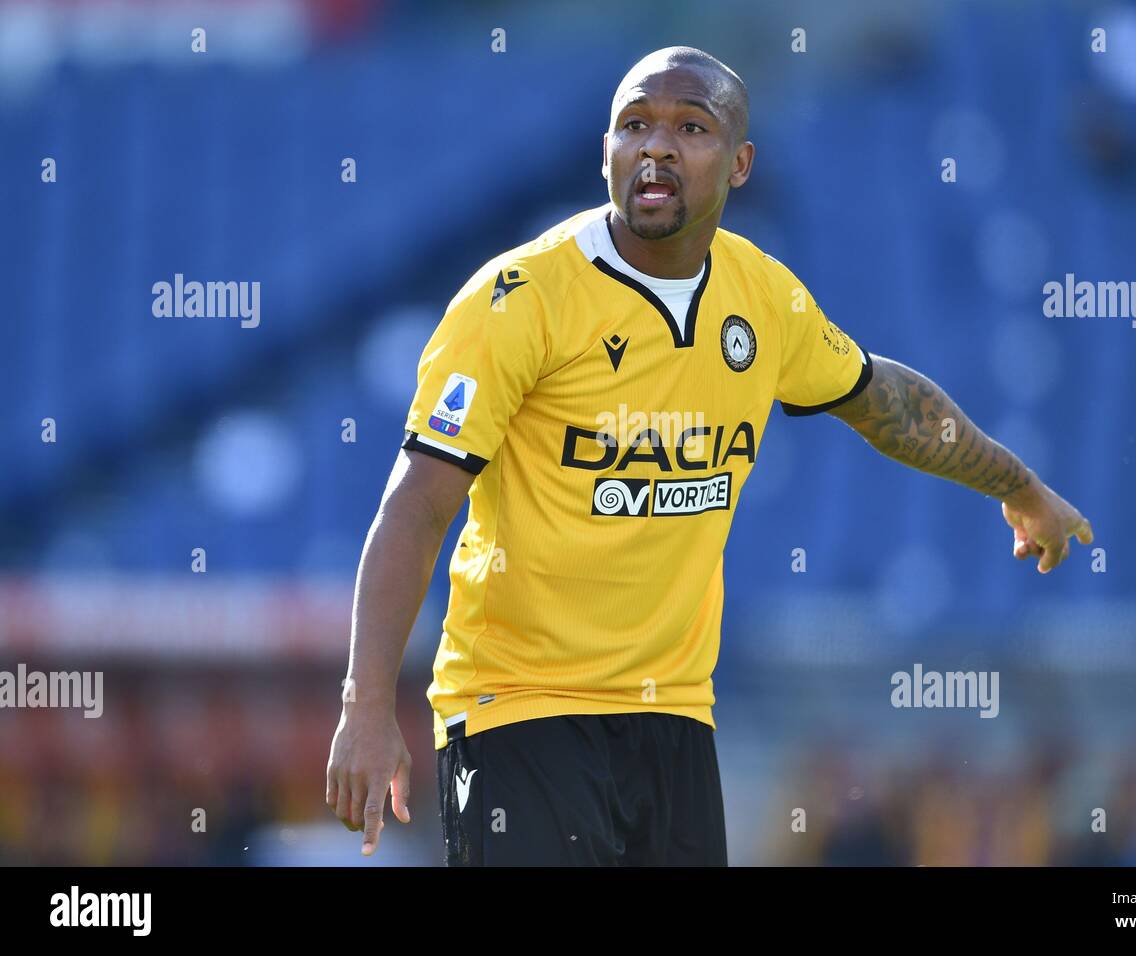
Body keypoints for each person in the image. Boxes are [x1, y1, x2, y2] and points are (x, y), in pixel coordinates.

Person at [325, 46, 1093, 866]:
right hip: (519, 708)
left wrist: (1019, 485)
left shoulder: (763, 298)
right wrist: (367, 705)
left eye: (690, 126)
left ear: (740, 164)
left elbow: (882, 401)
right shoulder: (517, 301)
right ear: (606, 152)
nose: (655, 146)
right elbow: (415, 507)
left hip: (675, 715)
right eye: (634, 125)